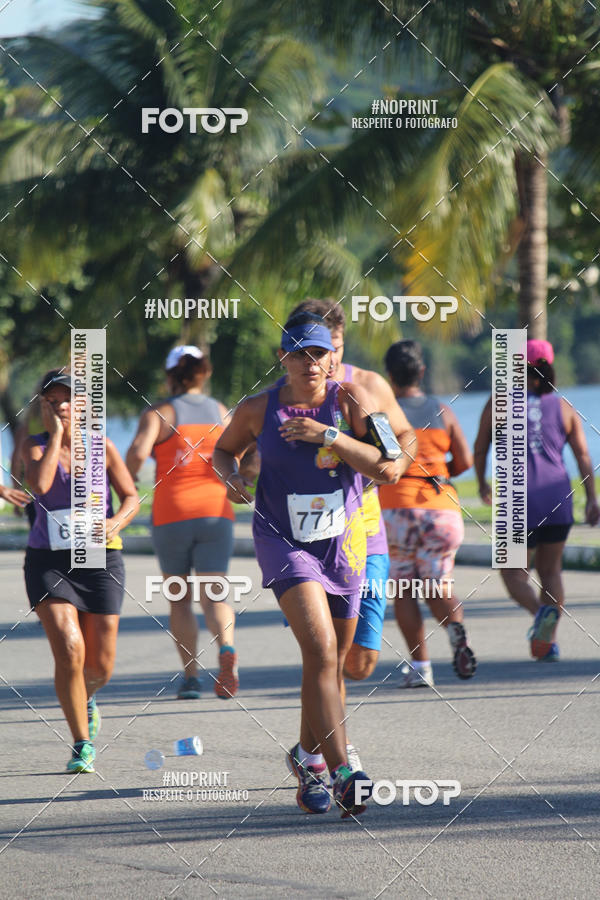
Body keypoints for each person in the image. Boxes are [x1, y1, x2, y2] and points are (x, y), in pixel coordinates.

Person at [213, 318, 404, 818]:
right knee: (320, 652)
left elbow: (391, 464)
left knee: (332, 664)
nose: (311, 363)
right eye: (300, 354)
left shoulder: (351, 403)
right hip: (283, 542)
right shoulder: (258, 409)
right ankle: (344, 772)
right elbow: (222, 450)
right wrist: (232, 477)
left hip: (342, 544)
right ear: (284, 360)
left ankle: (306, 757)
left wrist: (332, 437)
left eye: (319, 354)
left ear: (333, 358)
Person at [281, 300, 414, 766]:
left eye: (333, 348)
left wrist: (390, 459)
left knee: (358, 664)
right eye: (316, 350)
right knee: (325, 657)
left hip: (366, 539)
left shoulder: (365, 388)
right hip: (310, 544)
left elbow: (402, 438)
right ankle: (334, 758)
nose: (325, 360)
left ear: (341, 343)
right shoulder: (292, 390)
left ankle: (305, 750)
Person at [23, 369, 138, 773]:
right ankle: (81, 743)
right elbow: (40, 485)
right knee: (70, 649)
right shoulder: (34, 445)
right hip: (49, 561)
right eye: (53, 401)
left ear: (85, 405)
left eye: (68, 399)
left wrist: (116, 522)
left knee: (100, 666)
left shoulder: (102, 447)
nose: (62, 406)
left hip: (99, 559)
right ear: (44, 407)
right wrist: (56, 435)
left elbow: (131, 497)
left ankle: (85, 697)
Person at [474, 339, 599, 660]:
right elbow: (584, 455)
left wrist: (482, 483)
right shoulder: (564, 407)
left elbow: (479, 447)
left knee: (513, 573)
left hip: (518, 501)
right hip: (559, 498)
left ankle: (540, 614)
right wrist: (592, 499)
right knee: (551, 571)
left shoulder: (499, 402)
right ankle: (548, 642)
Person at [126, 345, 239, 699]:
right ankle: (227, 650)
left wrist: (125, 487)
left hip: (172, 515)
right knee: (215, 592)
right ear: (204, 373)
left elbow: (137, 455)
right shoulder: (221, 411)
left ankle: (191, 678)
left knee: (179, 599)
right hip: (216, 512)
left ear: (170, 375)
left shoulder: (160, 413)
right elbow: (241, 453)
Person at [379, 341, 476, 687]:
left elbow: (376, 464)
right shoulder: (443, 411)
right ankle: (455, 630)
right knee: (438, 583)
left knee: (404, 588)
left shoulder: (383, 416)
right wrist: (435, 469)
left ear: (389, 376)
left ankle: (421, 666)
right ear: (421, 372)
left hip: (397, 507)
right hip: (441, 509)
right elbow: (464, 461)